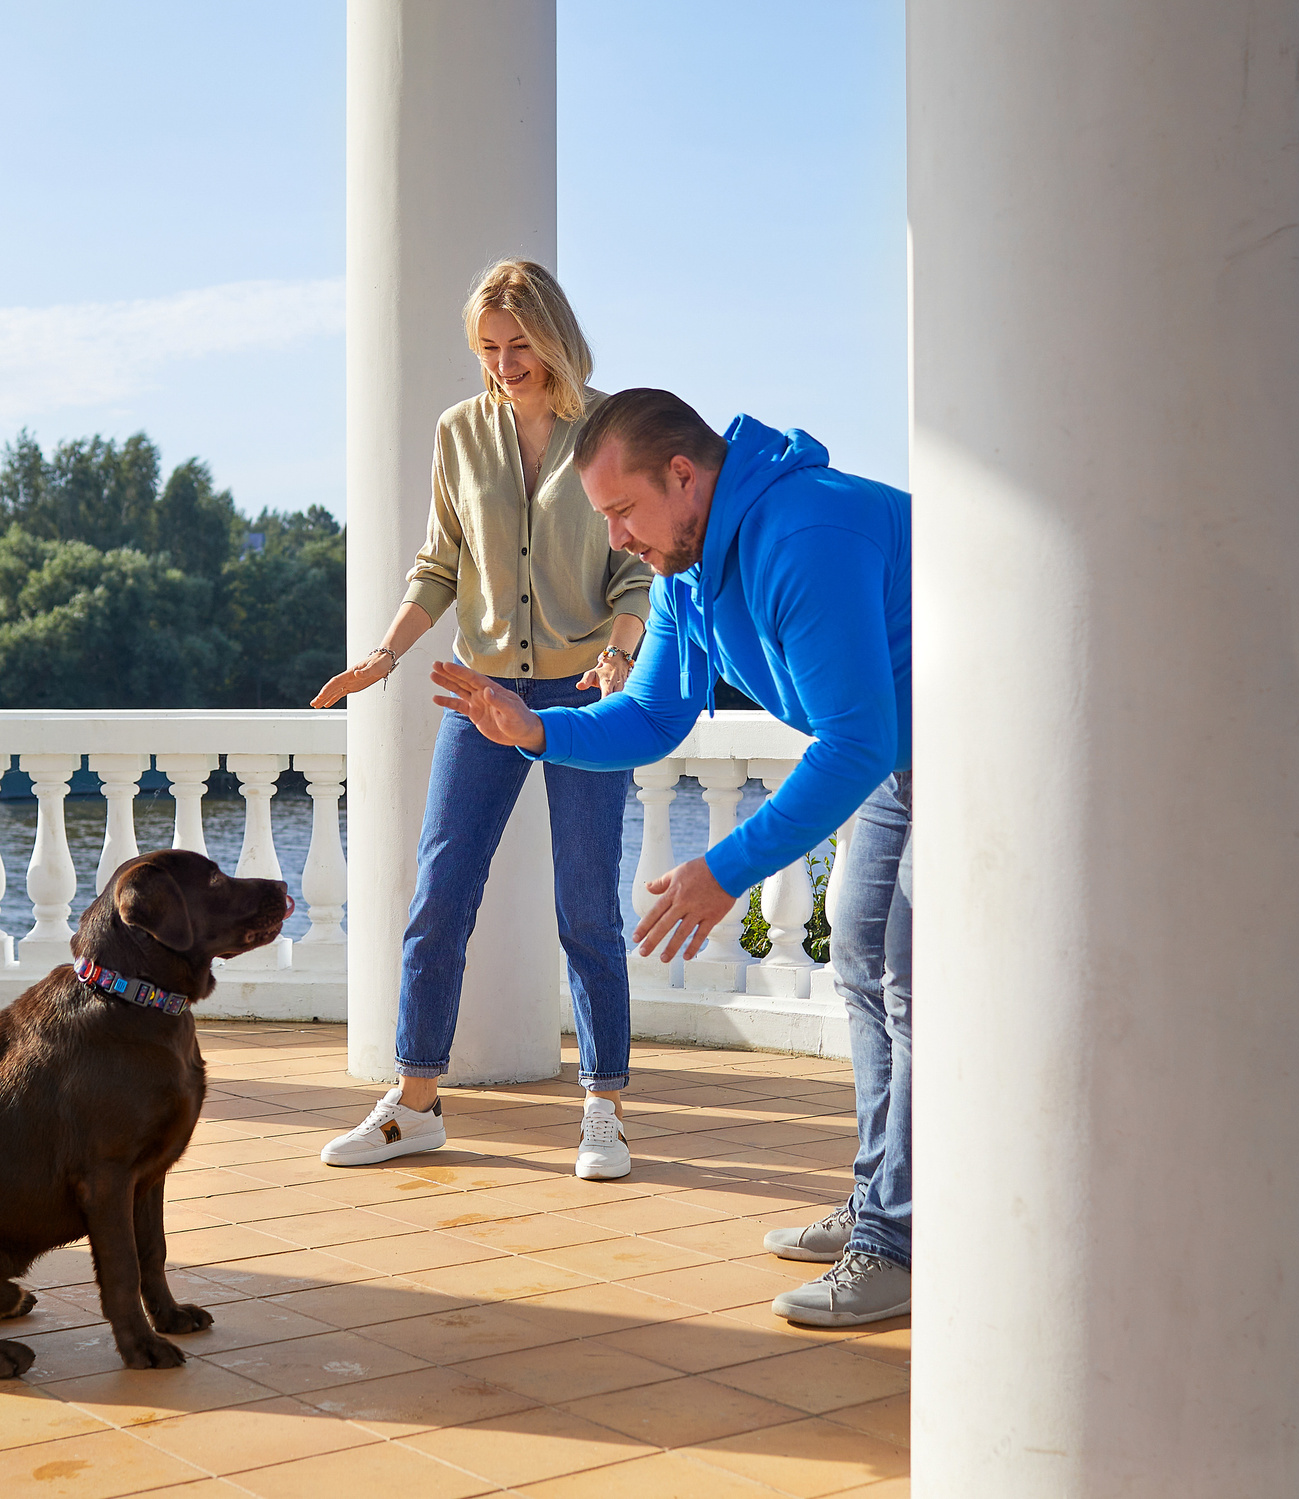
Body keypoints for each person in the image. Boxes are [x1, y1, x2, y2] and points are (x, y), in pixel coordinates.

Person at [431, 387, 913, 1327]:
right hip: (903, 753)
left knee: (907, 980)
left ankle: (896, 1238)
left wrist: (723, 868)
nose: (616, 539)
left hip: (975, 745)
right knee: (862, 963)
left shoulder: (801, 536)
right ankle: (884, 1207)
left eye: (622, 512)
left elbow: (853, 741)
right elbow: (653, 713)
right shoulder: (691, 572)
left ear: (683, 476)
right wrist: (535, 727)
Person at [311, 260, 654, 1181]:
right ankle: (415, 1104)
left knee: (587, 905)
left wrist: (619, 658)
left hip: (587, 694)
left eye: (520, 346)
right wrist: (383, 654)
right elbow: (439, 563)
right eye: (490, 350)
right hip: (484, 689)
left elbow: (636, 569)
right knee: (439, 895)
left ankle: (603, 1109)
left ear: (553, 336)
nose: (506, 365)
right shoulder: (458, 433)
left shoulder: (608, 429)